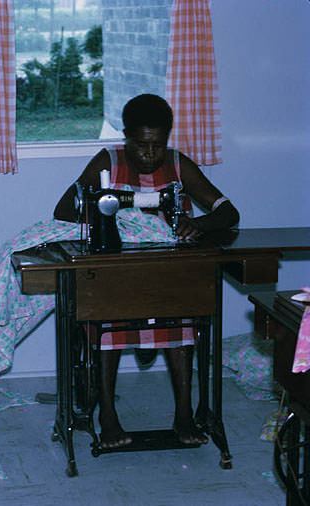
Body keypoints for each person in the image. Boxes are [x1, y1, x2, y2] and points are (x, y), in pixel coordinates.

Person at [53, 94, 239, 449]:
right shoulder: (107, 161)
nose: (150, 154)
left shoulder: (178, 165)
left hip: (167, 269)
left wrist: (197, 224)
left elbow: (229, 212)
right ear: (126, 137)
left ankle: (184, 415)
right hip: (116, 273)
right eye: (141, 145)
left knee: (184, 321)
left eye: (157, 145)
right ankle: (107, 416)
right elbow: (64, 209)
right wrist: (107, 216)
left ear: (168, 138)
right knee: (105, 322)